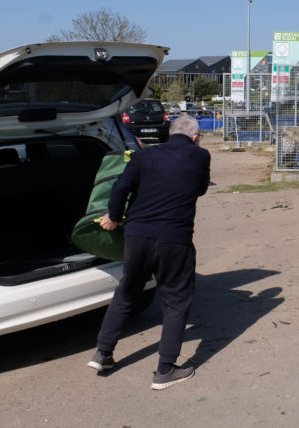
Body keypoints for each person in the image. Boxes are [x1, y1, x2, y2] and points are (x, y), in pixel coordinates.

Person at [87, 115, 211, 391]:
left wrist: (114, 217)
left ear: (169, 132)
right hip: (174, 239)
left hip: (137, 235)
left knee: (127, 292)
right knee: (176, 300)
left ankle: (102, 353)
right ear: (195, 136)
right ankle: (165, 370)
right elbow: (200, 189)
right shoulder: (200, 156)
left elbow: (121, 187)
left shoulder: (145, 155)